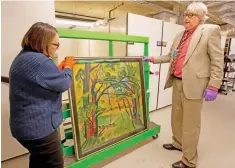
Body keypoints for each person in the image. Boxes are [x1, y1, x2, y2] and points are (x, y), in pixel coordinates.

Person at [143, 2, 224, 168]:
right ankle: (178, 143)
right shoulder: (180, 35)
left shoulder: (210, 31)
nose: (186, 18)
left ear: (200, 17)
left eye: (191, 15)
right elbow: (169, 56)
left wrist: (214, 85)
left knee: (190, 124)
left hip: (195, 85)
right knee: (176, 119)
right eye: (185, 14)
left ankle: (189, 160)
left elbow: (217, 61)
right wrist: (152, 59)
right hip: (177, 82)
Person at [9, 22, 75, 168]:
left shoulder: (24, 57)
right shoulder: (40, 62)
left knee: (39, 161)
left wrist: (57, 70)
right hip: (39, 129)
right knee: (55, 164)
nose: (56, 49)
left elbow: (41, 79)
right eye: (55, 45)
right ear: (43, 41)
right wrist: (69, 67)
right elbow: (64, 83)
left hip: (23, 127)